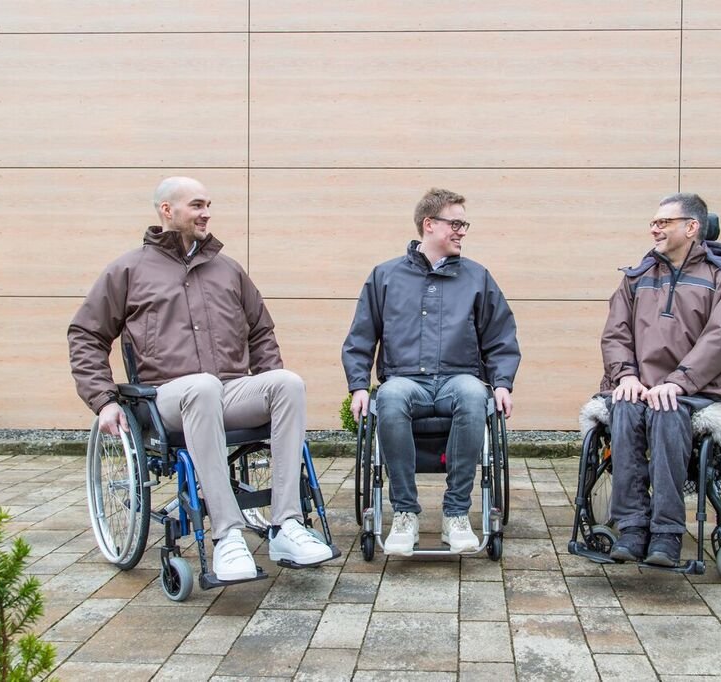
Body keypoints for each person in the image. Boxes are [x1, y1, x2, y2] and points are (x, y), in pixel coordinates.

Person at [68, 176, 335, 581]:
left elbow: (261, 332)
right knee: (202, 386)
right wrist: (103, 400)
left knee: (287, 383)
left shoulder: (228, 270)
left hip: (227, 390)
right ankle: (227, 535)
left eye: (208, 205)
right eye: (196, 205)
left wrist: (266, 381)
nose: (206, 213)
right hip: (165, 398)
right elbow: (86, 334)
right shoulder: (128, 270)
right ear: (167, 210)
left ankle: (287, 525)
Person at [342, 188, 521, 555]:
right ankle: (405, 513)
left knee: (473, 393)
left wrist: (502, 383)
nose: (462, 231)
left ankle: (456, 514)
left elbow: (500, 336)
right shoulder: (385, 276)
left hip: (458, 379)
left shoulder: (477, 277)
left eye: (464, 224)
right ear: (429, 224)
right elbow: (361, 336)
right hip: (405, 380)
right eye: (455, 224)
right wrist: (359, 386)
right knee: (389, 396)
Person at [599, 192, 721, 567]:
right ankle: (632, 527)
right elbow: (615, 334)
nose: (654, 229)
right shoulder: (636, 278)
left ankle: (667, 533)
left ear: (691, 227)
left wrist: (679, 382)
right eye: (653, 222)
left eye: (663, 222)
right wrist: (626, 376)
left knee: (668, 410)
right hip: (640, 385)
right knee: (624, 407)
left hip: (700, 389)